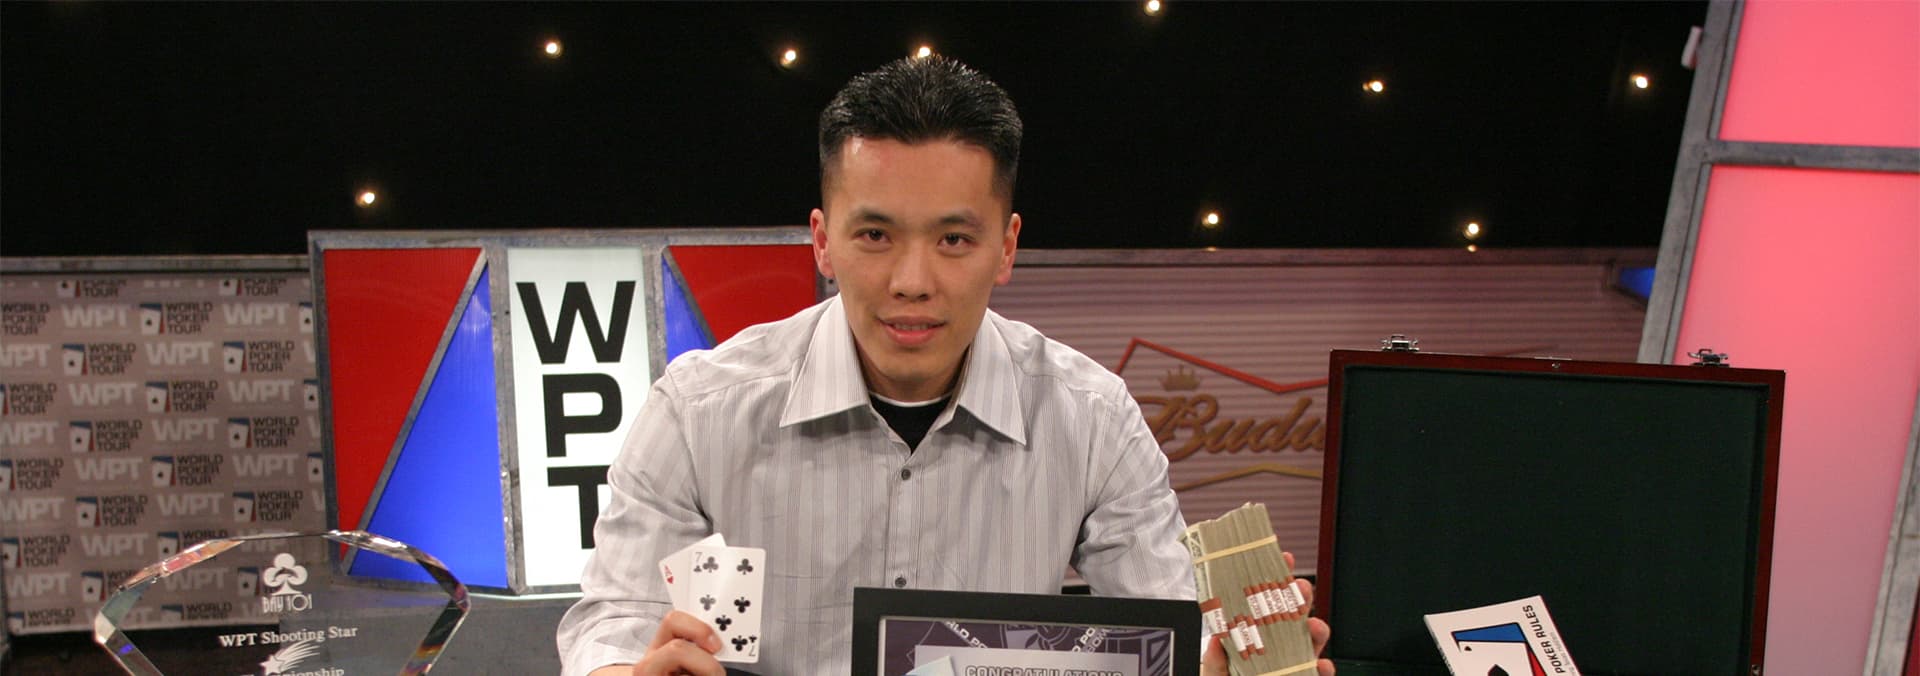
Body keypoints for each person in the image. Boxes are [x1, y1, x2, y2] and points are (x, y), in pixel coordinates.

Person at [555, 55, 1332, 676]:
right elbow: (612, 621)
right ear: (822, 241)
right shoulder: (697, 412)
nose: (912, 281)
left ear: (1007, 247)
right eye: (875, 236)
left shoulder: (1092, 419)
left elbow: (1163, 627)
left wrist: (1223, 663)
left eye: (954, 240)